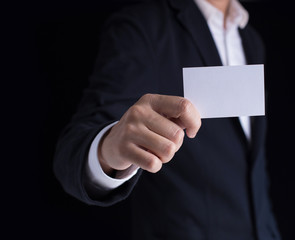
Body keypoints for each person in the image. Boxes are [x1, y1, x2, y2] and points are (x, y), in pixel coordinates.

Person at [53, 0, 281, 239]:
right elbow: (72, 151)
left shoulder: (250, 40)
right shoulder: (143, 27)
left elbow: (252, 168)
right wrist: (109, 149)